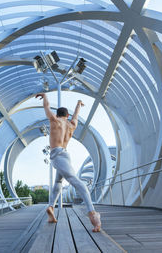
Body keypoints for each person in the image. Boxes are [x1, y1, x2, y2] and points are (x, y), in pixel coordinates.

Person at [35, 92, 101, 232]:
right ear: (67, 115)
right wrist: (78, 104)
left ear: (57, 114)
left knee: (76, 181)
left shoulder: (54, 120)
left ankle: (93, 214)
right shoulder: (72, 124)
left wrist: (45, 96)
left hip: (56, 155)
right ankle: (51, 208)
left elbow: (46, 106)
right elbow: (76, 116)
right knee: (58, 182)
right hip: (65, 155)